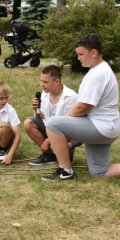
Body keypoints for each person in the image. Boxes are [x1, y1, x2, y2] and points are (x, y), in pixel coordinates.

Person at [42, 33, 120, 181]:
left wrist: (57, 133)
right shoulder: (100, 70)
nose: (78, 58)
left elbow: (82, 108)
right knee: (100, 172)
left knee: (53, 124)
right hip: (106, 127)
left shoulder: (98, 74)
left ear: (94, 53)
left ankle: (66, 171)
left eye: (81, 54)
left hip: (100, 128)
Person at [24, 65, 78, 166]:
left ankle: (66, 153)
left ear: (57, 82)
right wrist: (37, 110)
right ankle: (49, 155)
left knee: (63, 131)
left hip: (66, 132)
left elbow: (70, 126)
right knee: (28, 123)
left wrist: (48, 141)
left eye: (45, 82)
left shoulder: (71, 97)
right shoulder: (45, 94)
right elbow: (44, 118)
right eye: (41, 81)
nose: (41, 84)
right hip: (49, 128)